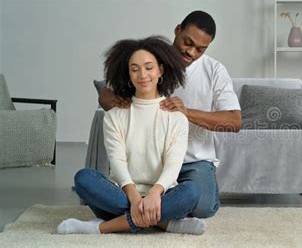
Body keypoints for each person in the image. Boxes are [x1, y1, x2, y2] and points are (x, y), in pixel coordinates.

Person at [99, 11, 242, 218]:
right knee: (89, 181)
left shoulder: (215, 70)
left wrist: (186, 112)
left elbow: (234, 121)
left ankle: (134, 214)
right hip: (149, 161)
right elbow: (107, 91)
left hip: (193, 162)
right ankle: (161, 213)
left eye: (201, 49)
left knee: (201, 206)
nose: (192, 52)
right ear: (177, 30)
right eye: (188, 42)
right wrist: (108, 98)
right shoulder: (152, 58)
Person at [57, 36, 206, 235]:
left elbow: (174, 164)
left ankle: (101, 227)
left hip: (161, 195)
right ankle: (164, 223)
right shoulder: (114, 116)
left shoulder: (176, 117)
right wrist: (135, 198)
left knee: (192, 192)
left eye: (148, 67)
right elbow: (117, 162)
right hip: (122, 194)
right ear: (128, 75)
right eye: (134, 69)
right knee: (83, 178)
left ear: (160, 70)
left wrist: (154, 193)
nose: (142, 75)